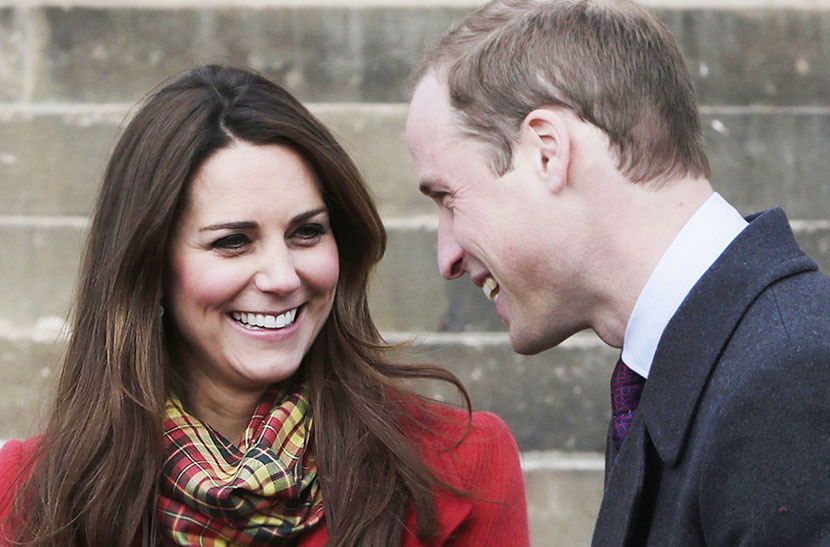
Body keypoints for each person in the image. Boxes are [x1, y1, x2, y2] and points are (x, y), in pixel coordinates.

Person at [0, 64, 529, 546]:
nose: (281, 277)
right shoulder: (29, 496)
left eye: (306, 232)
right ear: (151, 267)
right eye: (232, 241)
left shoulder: (464, 465)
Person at [405, 0, 830, 545]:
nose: (447, 258)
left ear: (546, 150)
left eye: (447, 197)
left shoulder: (791, 377)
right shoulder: (699, 368)